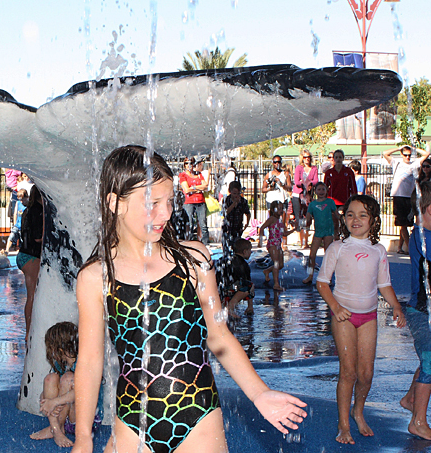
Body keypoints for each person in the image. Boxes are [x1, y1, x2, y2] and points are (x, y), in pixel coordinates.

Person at [72, 145, 307, 453]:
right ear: (114, 203)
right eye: (152, 203)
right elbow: (90, 362)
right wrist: (83, 439)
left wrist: (259, 393)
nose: (166, 213)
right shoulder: (95, 277)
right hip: (132, 425)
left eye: (170, 201)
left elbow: (218, 334)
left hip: (198, 418)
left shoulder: (193, 259)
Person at [315, 194, 406, 444]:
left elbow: (384, 284)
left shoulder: (378, 251)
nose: (356, 219)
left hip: (368, 317)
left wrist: (396, 306)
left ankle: (358, 410)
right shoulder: (337, 247)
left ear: (373, 221)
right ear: (344, 219)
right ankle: (343, 424)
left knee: (366, 373)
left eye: (363, 215)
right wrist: (335, 306)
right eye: (350, 214)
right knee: (348, 373)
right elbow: (322, 282)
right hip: (343, 316)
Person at [400, 181, 431, 442]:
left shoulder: (427, 232)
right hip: (424, 311)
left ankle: (411, 399)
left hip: (430, 311)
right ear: (430, 208)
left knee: (430, 359)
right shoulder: (426, 237)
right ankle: (418, 422)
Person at [29, 321, 90, 448]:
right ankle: (56, 429)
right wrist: (47, 402)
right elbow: (45, 394)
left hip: (83, 420)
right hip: (61, 418)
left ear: (59, 348)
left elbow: (83, 391)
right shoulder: (60, 364)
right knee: (50, 379)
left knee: (68, 378)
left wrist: (55, 402)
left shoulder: (84, 362)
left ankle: (57, 427)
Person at [384, 145, 430, 254]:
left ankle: (400, 247)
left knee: (406, 223)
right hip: (399, 196)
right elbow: (385, 153)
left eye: (409, 155)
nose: (408, 157)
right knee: (402, 223)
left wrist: (413, 148)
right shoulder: (397, 163)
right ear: (401, 155)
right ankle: (410, 248)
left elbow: (426, 154)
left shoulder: (414, 164)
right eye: (405, 155)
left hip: (409, 197)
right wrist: (399, 147)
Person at [19, 185, 44, 341]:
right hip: (31, 257)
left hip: (23, 255)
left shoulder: (28, 210)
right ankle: (29, 332)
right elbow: (37, 237)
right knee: (32, 297)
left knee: (32, 296)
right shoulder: (38, 211)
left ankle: (30, 330)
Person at [302, 182, 339, 285]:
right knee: (312, 255)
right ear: (315, 191)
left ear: (326, 190)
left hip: (328, 231)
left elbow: (337, 215)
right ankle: (310, 275)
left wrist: (340, 226)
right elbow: (308, 217)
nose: (321, 192)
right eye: (319, 190)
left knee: (328, 255)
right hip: (318, 232)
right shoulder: (313, 204)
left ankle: (329, 277)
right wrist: (306, 220)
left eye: (323, 189)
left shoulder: (330, 202)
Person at [258, 200, 295, 291]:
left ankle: (267, 271)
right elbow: (262, 227)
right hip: (272, 244)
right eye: (279, 208)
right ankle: (276, 284)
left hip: (278, 245)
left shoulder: (281, 221)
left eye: (282, 208)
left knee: (281, 264)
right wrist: (261, 239)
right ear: (273, 209)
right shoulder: (272, 219)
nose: (281, 210)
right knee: (276, 263)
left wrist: (294, 230)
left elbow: (284, 233)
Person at [219, 238, 255, 318]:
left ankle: (222, 307)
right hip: (230, 290)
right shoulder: (243, 265)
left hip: (219, 290)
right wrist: (250, 306)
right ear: (245, 251)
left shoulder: (225, 259)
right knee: (249, 287)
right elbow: (248, 284)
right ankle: (230, 308)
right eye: (250, 251)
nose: (251, 253)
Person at [262, 155, 291, 246]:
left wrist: (281, 184)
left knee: (283, 222)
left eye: (278, 162)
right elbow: (263, 189)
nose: (277, 164)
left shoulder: (285, 174)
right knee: (272, 221)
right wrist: (270, 187)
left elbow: (289, 188)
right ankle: (272, 240)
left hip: (281, 200)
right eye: (275, 162)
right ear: (272, 163)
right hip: (271, 200)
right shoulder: (269, 175)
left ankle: (284, 242)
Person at [178, 157, 209, 244]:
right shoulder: (183, 175)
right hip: (189, 202)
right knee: (190, 224)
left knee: (203, 224)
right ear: (184, 165)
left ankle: (205, 244)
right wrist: (198, 188)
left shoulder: (198, 174)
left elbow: (205, 186)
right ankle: (189, 242)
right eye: (187, 163)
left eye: (191, 163)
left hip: (200, 201)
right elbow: (186, 189)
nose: (189, 165)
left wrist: (193, 187)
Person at [293, 149, 318, 249]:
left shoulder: (314, 168)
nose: (307, 159)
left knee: (308, 217)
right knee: (299, 217)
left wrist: (309, 183)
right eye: (305, 157)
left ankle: (306, 242)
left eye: (308, 157)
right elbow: (296, 181)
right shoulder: (299, 168)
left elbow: (316, 180)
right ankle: (301, 241)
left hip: (308, 195)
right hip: (298, 194)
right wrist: (306, 183)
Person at [222, 180, 250, 252]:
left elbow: (247, 213)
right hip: (228, 227)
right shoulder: (227, 200)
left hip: (238, 226)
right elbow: (225, 212)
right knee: (227, 246)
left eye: (238, 193)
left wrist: (247, 223)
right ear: (230, 191)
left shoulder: (243, 201)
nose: (236, 196)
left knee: (236, 246)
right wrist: (234, 204)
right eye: (234, 193)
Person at [1, 188, 27, 255]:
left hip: (24, 226)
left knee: (23, 240)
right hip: (17, 225)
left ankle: (22, 250)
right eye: (20, 199)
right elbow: (15, 213)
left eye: (23, 199)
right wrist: (15, 223)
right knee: (11, 236)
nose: (21, 201)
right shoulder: (18, 203)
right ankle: (7, 250)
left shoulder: (28, 205)